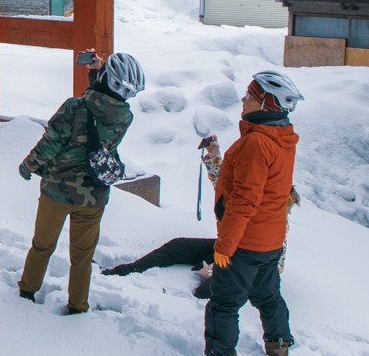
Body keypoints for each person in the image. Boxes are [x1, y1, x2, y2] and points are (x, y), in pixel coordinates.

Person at [197, 70, 303, 356]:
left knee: (224, 304)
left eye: (250, 95)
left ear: (266, 102)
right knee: (268, 296)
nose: (243, 100)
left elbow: (244, 202)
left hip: (244, 244)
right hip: (270, 243)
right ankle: (279, 348)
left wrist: (224, 247)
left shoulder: (256, 144)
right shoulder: (281, 137)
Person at [17, 52, 144, 314]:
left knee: (43, 245)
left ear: (107, 77)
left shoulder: (74, 106)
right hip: (93, 198)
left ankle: (27, 291)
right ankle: (77, 305)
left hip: (57, 192)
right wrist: (96, 73)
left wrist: (29, 164)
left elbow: (51, 143)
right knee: (82, 256)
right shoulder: (125, 118)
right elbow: (99, 106)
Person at [104, 140, 299, 298]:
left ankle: (175, 303)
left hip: (249, 266)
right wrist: (214, 156)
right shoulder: (251, 192)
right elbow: (226, 187)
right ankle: (124, 271)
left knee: (206, 291)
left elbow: (271, 262)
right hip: (228, 248)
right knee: (177, 247)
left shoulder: (273, 217)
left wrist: (212, 271)